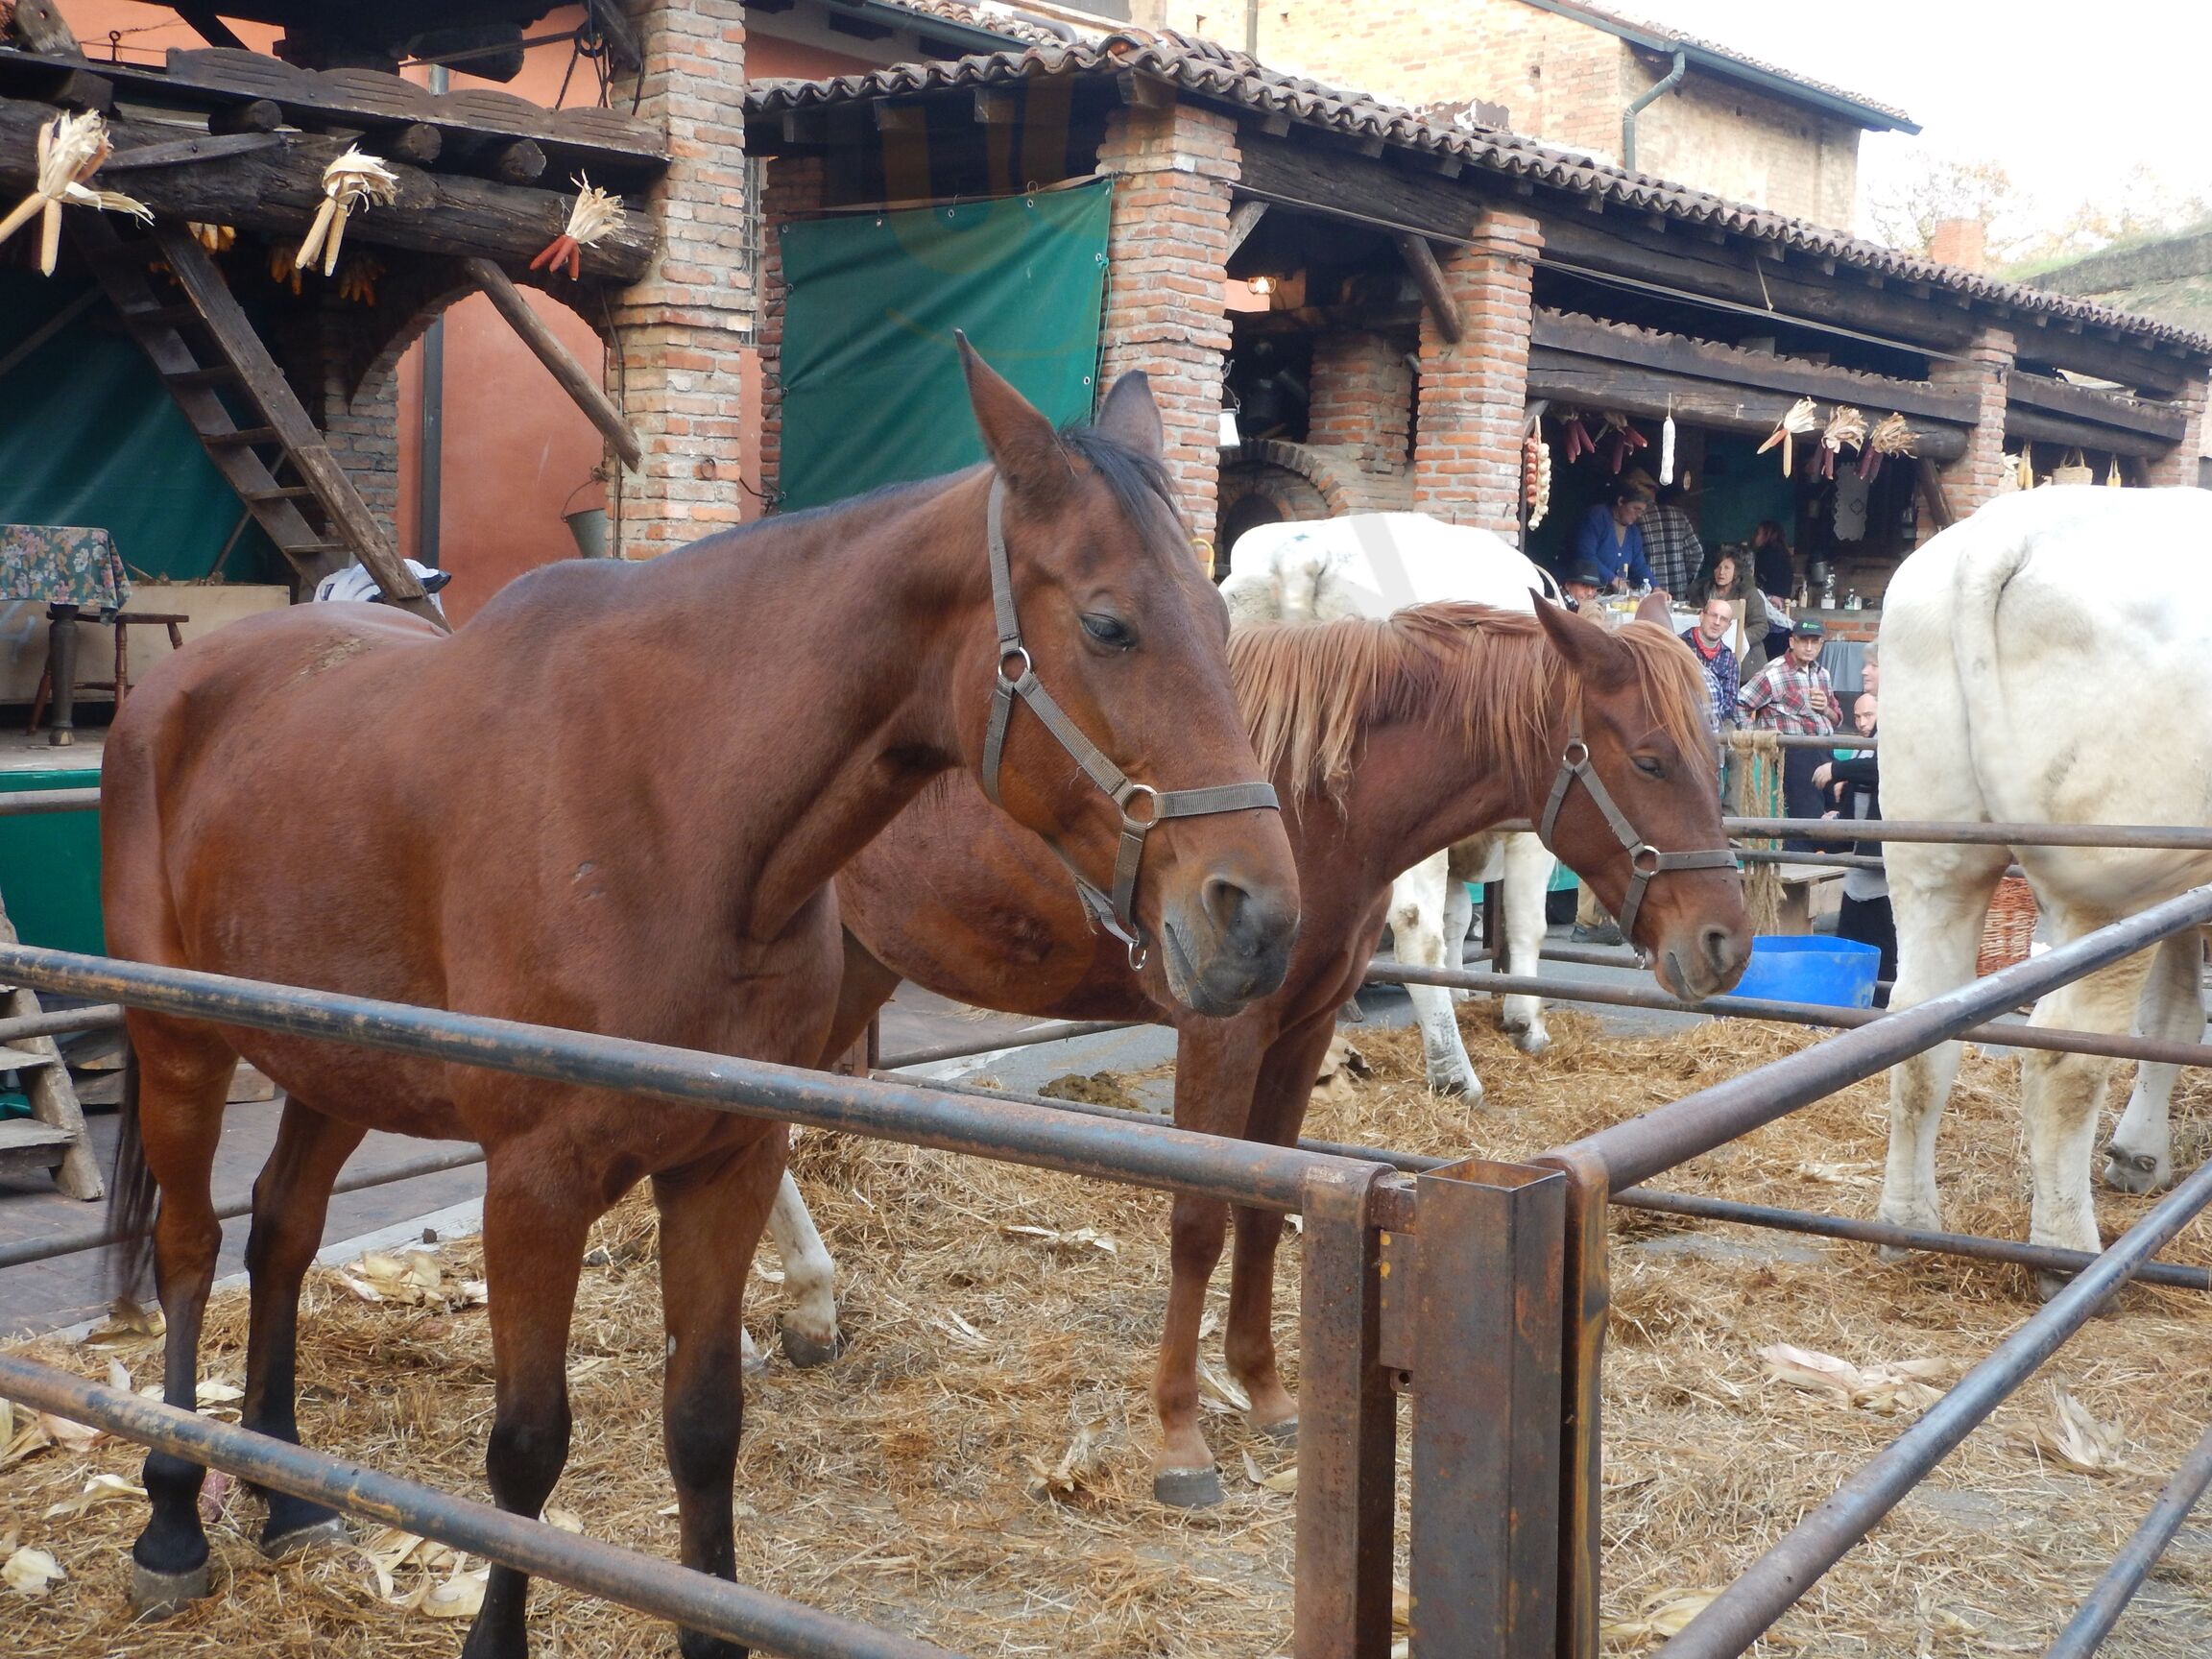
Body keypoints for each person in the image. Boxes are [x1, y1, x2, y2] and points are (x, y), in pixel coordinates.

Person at [1815, 694, 1892, 1001]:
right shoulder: (1869, 740)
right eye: (1857, 716)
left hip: (1883, 859)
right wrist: (1840, 816)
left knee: (1882, 943)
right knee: (1852, 937)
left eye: (1868, 715)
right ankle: (1849, 1004)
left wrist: (1839, 770)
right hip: (1863, 855)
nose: (1861, 722)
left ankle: (1880, 1006)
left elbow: (1882, 769)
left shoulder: (1891, 733)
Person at [1737, 616, 1839, 848]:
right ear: (1792, 642)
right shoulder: (1773, 673)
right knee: (1806, 816)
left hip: (1826, 746)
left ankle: (1828, 871)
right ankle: (1800, 868)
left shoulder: (1822, 674)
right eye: (1804, 641)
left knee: (1836, 810)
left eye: (1815, 642)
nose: (1810, 647)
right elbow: (1741, 703)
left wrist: (1827, 709)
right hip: (1795, 752)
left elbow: (1837, 716)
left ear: (1821, 644)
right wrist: (1757, 739)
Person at [1687, 547, 1773, 677]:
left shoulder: (1748, 593)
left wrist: (1736, 638)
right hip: (1705, 655)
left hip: (1745, 661)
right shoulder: (1703, 591)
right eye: (1718, 567)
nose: (1721, 572)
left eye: (1727, 568)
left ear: (1736, 572)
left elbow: (1761, 626)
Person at [1571, 482, 1654, 591]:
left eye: (1642, 512)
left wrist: (1655, 587)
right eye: (1636, 508)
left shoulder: (1633, 532)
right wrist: (1613, 579)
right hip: (1584, 591)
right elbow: (1585, 554)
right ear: (1620, 501)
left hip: (1610, 598)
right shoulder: (1597, 516)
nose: (1639, 515)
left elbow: (1639, 566)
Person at [1680, 593, 1739, 733]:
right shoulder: (1679, 646)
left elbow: (1730, 703)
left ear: (1728, 626)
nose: (1717, 622)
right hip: (1681, 720)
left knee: (1739, 751)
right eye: (1713, 615)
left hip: (1717, 724)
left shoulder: (1729, 659)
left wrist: (1710, 721)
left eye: (1723, 619)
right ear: (1702, 616)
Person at [1641, 482, 1704, 598]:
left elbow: (1637, 559)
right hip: (1678, 587)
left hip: (1650, 588)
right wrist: (1686, 577)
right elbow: (1697, 553)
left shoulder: (1641, 516)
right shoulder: (1680, 516)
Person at [1750, 519, 1794, 661]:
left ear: (1767, 535)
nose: (1754, 537)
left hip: (1769, 606)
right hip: (1782, 605)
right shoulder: (1785, 555)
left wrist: (1767, 597)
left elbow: (1757, 584)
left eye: (1758, 533)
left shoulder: (1765, 554)